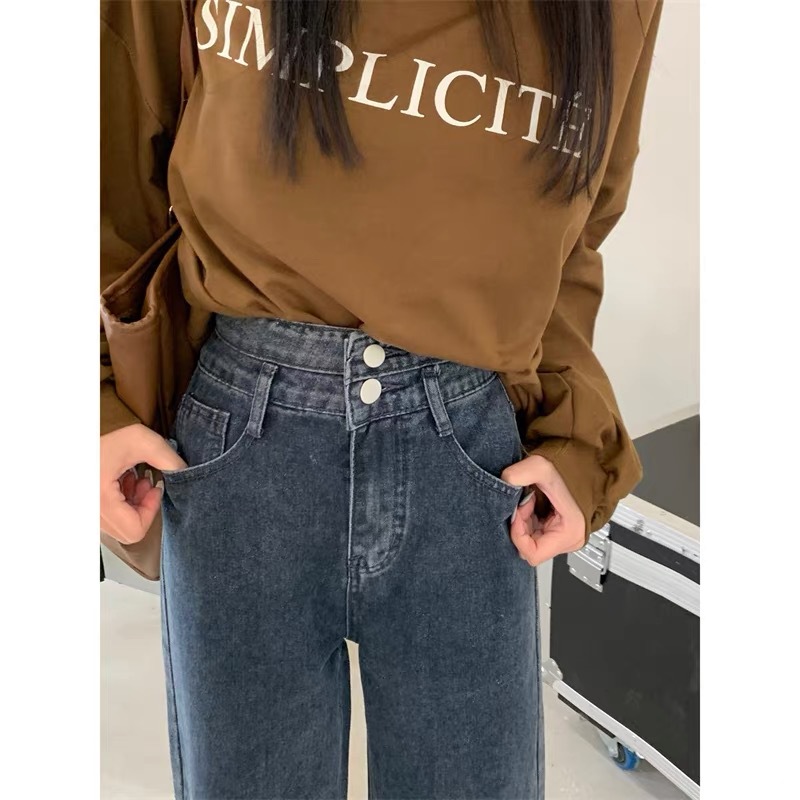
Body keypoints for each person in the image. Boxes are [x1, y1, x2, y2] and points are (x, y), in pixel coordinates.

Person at [100, 1, 664, 797]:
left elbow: (577, 226)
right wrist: (93, 397)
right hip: (242, 442)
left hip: (471, 454)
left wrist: (574, 433)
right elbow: (109, 138)